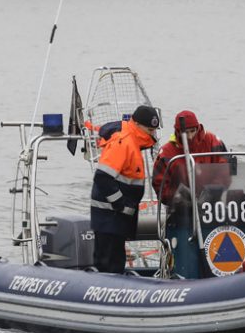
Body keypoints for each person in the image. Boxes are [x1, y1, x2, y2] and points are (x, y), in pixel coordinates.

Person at [89, 105, 160, 273]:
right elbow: (102, 177)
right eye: (150, 129)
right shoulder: (123, 142)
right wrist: (121, 205)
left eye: (154, 130)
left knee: (116, 262)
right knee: (108, 264)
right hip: (110, 216)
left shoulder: (133, 143)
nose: (152, 134)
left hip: (117, 218)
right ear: (138, 125)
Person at [151, 110, 228, 206]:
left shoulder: (213, 142)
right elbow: (160, 187)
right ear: (178, 132)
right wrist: (179, 194)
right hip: (181, 208)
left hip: (213, 204)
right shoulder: (166, 153)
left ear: (198, 127)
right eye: (186, 133)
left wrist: (213, 190)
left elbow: (226, 170)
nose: (190, 136)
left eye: (192, 131)